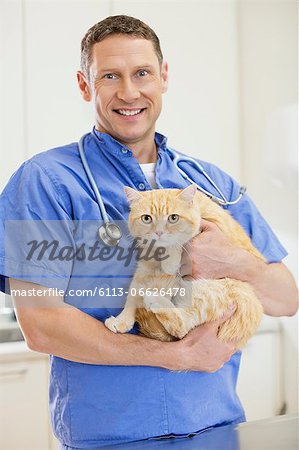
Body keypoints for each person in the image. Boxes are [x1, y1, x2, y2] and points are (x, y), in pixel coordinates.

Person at [0, 15, 297, 450]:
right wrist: (176, 357)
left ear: (163, 77)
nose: (129, 92)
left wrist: (230, 260)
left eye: (142, 73)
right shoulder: (44, 182)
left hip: (218, 427)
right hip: (109, 439)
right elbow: (41, 324)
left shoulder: (212, 186)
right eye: (109, 76)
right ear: (85, 85)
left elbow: (286, 297)